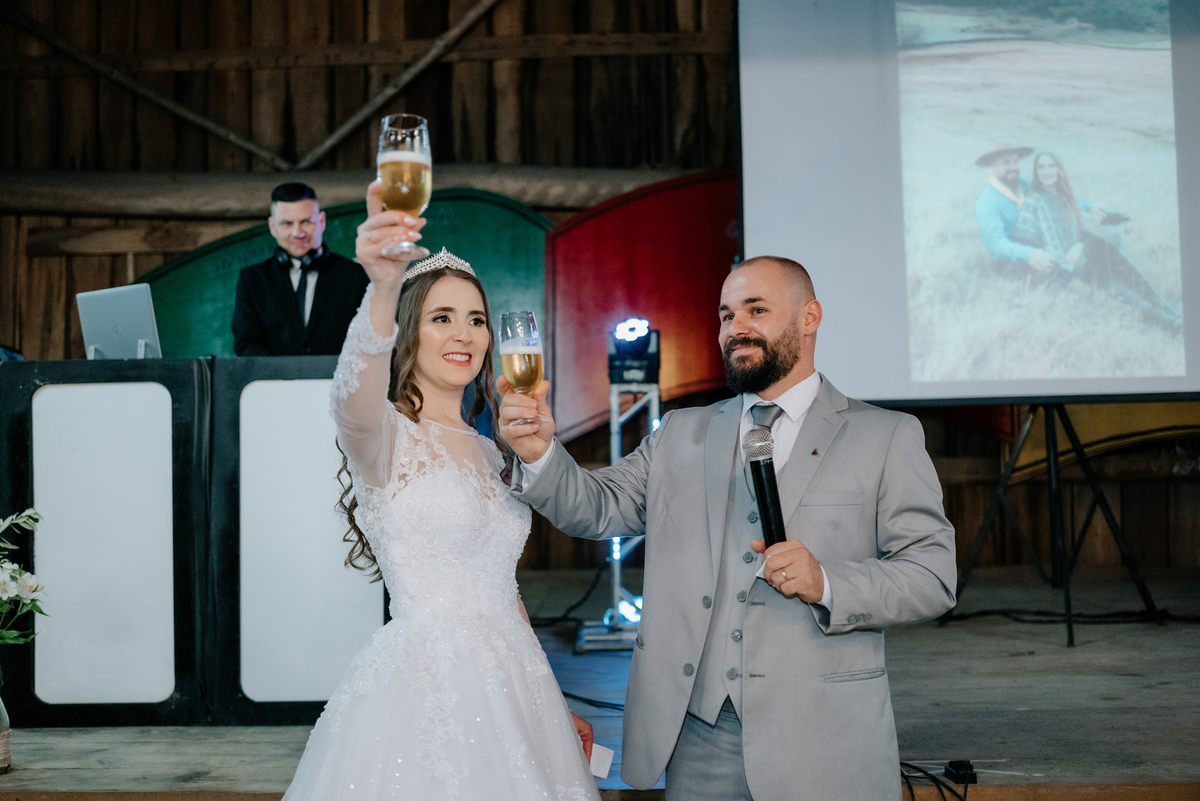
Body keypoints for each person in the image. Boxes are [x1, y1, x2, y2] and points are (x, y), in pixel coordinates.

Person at [499, 256, 957, 801]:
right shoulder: (679, 432)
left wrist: (828, 583)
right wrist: (539, 453)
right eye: (726, 315)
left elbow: (932, 577)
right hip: (699, 740)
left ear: (809, 317)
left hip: (824, 739)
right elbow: (594, 507)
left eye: (755, 310)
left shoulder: (886, 436)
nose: (735, 327)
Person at [282, 183, 599, 801]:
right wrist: (382, 287)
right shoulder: (383, 435)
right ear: (409, 332)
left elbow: (500, 589)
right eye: (442, 317)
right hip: (426, 690)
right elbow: (349, 398)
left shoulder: (492, 449)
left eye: (476, 319)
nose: (465, 334)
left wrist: (551, 704)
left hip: (517, 687)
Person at [1011, 151, 1181, 329]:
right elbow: (1025, 242)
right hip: (1062, 268)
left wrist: (1078, 245)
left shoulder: (1069, 197)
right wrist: (1050, 260)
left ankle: (1166, 307)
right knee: (1110, 284)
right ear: (1036, 171)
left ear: (1059, 169)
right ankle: (1169, 323)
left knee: (1113, 254)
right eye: (1041, 167)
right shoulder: (1033, 200)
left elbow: (1085, 233)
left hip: (1081, 252)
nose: (1046, 171)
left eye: (1051, 166)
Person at [232, 183, 370, 355]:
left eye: (306, 222)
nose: (298, 233)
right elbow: (245, 344)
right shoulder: (252, 279)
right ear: (272, 226)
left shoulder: (354, 274)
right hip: (274, 374)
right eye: (287, 224)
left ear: (321, 221)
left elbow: (368, 338)